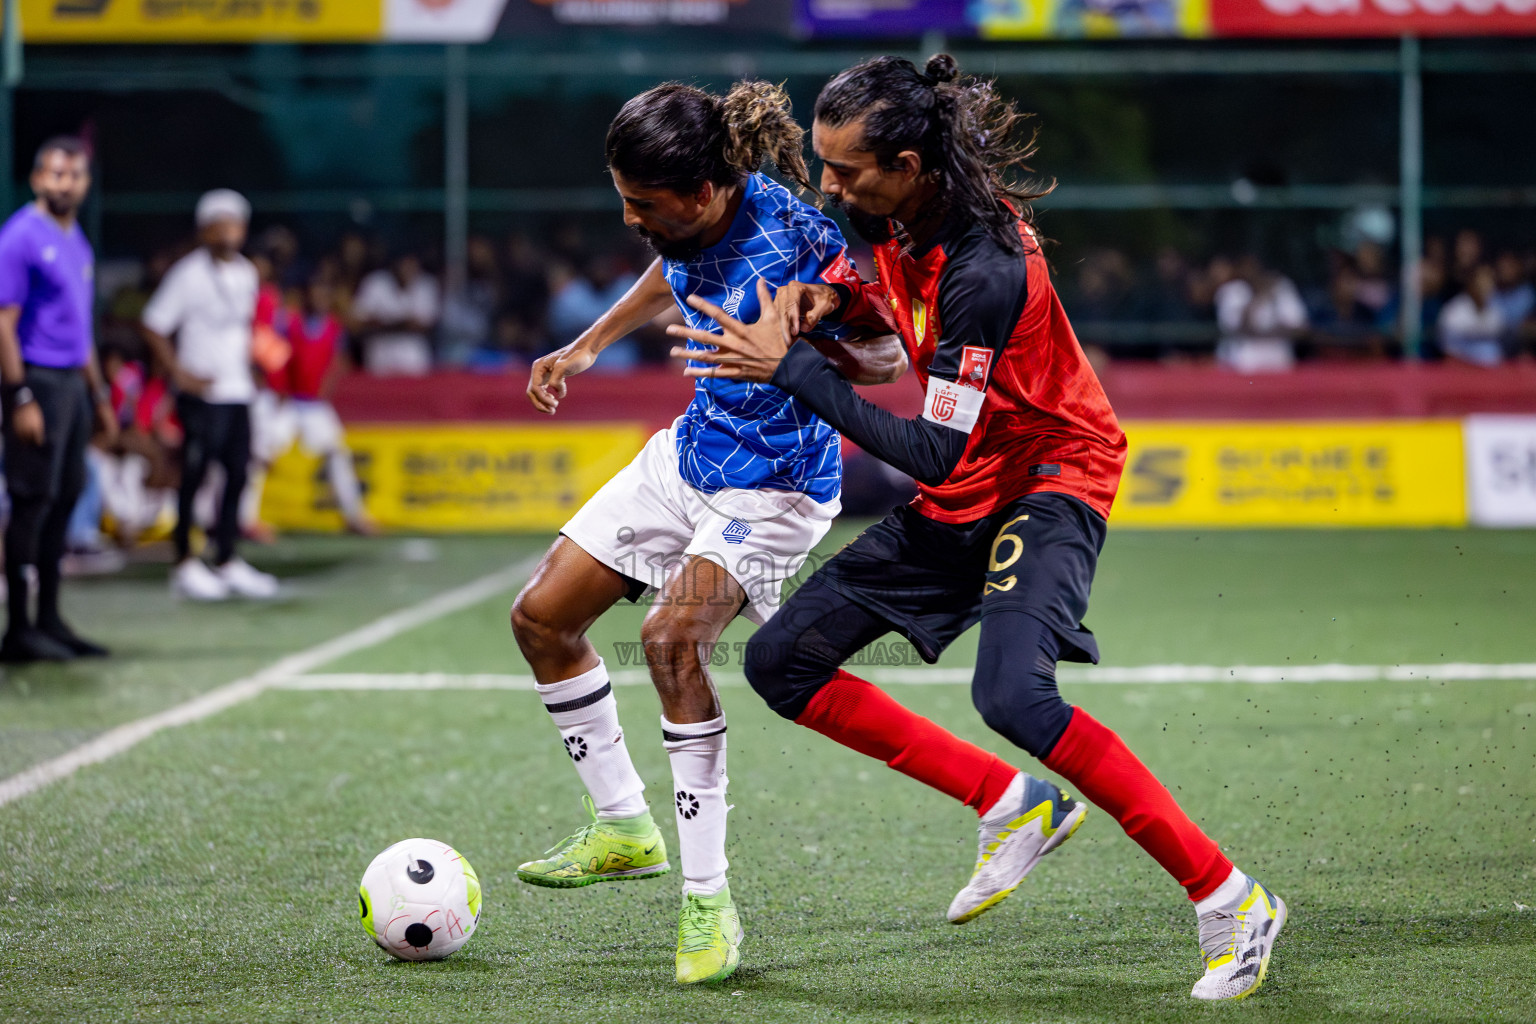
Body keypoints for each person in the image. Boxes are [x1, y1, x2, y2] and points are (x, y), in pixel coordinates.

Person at [675, 54, 1287, 1002]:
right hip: (974, 479)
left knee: (1014, 695)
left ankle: (1231, 900)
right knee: (780, 663)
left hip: (1049, 473)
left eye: (846, 171)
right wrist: (831, 300)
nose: (828, 186)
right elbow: (893, 307)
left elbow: (931, 453)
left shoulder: (990, 269)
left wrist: (794, 367)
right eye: (827, 167)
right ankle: (1011, 805)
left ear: (910, 164)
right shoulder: (895, 217)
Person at [509, 79, 914, 986]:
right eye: (623, 198)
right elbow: (673, 266)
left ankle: (709, 902)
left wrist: (802, 351)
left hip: (774, 490)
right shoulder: (684, 223)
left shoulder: (801, 237)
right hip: (691, 457)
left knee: (669, 641)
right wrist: (589, 344)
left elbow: (888, 355)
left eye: (642, 204)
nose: (628, 218)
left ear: (700, 193)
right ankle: (623, 828)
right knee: (541, 619)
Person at [0, 136, 117, 661]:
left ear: (85, 184)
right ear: (36, 179)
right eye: (54, 174)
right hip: (38, 380)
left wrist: (99, 394)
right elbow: (4, 323)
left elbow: (81, 330)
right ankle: (18, 627)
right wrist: (19, 394)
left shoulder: (77, 241)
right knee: (32, 502)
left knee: (65, 497)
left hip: (71, 382)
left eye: (73, 175)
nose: (63, 183)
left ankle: (50, 618)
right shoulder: (20, 236)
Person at [139, 189, 279, 601]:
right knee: (195, 475)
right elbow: (153, 324)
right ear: (205, 229)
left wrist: (255, 367)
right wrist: (179, 373)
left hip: (238, 390)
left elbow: (247, 328)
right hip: (202, 392)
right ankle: (184, 561)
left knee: (237, 474)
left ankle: (228, 558)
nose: (229, 231)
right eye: (220, 224)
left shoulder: (247, 273)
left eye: (235, 223)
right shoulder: (188, 274)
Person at [256, 272, 375, 534]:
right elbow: (270, 348)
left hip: (314, 405)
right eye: (315, 294)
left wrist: (328, 386)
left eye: (324, 294)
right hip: (287, 401)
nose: (319, 299)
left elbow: (339, 360)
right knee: (259, 456)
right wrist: (278, 386)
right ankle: (246, 520)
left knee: (337, 453)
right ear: (306, 296)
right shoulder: (289, 322)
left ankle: (355, 517)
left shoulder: (334, 327)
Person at [1214, 254, 1307, 373]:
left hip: (1279, 361)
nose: (1250, 271)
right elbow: (1239, 328)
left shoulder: (1281, 286)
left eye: (1253, 266)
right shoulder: (1231, 291)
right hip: (1242, 363)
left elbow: (1300, 328)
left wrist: (1265, 332)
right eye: (1246, 266)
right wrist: (1260, 297)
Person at [351, 252, 439, 376]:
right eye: (405, 265)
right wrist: (402, 322)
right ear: (395, 265)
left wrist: (385, 321)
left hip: (412, 351)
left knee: (414, 391)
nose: (408, 270)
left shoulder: (425, 284)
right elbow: (358, 321)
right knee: (378, 393)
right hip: (380, 349)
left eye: (412, 265)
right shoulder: (376, 282)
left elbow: (423, 325)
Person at [1437, 263, 1505, 367]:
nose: (1485, 285)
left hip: (1491, 370)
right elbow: (1447, 350)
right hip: (1461, 368)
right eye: (1481, 280)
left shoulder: (1496, 310)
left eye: (1489, 280)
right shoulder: (1454, 310)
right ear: (1471, 283)